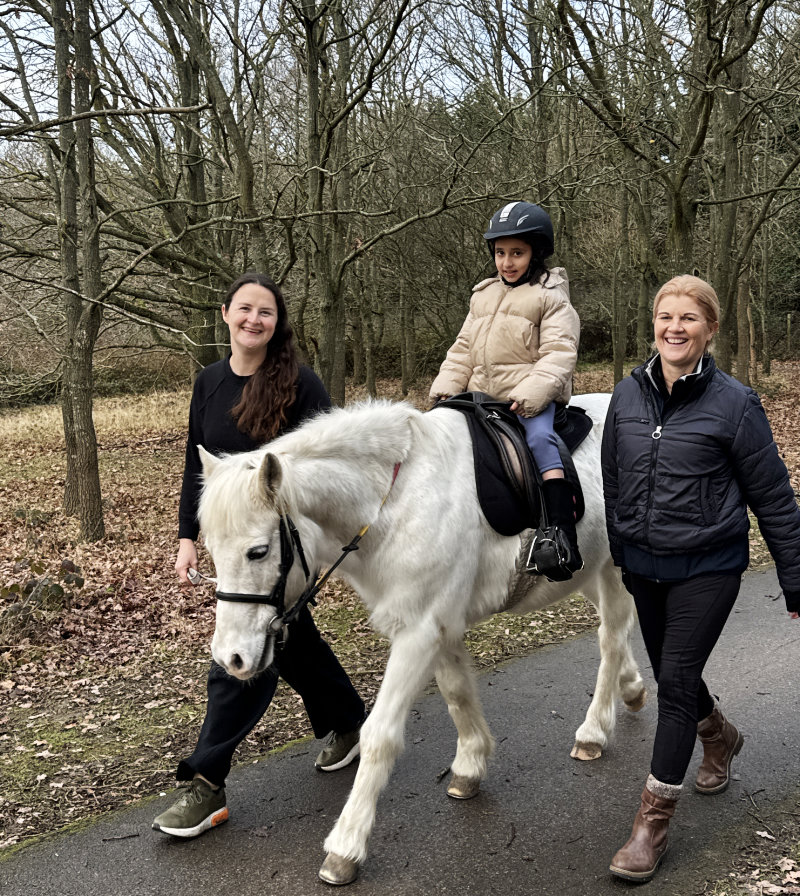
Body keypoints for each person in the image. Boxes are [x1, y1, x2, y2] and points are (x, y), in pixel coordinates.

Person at [152, 273, 366, 839]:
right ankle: (349, 721)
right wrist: (186, 536)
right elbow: (196, 470)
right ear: (225, 314)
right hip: (235, 547)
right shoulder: (209, 382)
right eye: (244, 309)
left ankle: (206, 784)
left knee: (243, 652)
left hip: (280, 546)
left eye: (265, 313)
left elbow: (337, 456)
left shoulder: (299, 383)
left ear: (278, 323)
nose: (254, 320)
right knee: (297, 644)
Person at [601, 274, 800, 882]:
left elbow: (773, 496)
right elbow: (612, 480)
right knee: (670, 673)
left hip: (709, 565)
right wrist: (623, 550)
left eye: (689, 317)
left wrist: (796, 579)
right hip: (644, 566)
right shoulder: (626, 396)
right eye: (665, 316)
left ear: (710, 329)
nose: (675, 327)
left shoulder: (735, 404)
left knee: (677, 681)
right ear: (653, 324)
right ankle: (720, 737)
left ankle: (651, 823)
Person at [429, 200, 583, 578]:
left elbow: (559, 353)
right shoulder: (482, 296)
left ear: (536, 253)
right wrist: (446, 389)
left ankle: (560, 533)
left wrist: (531, 395)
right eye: (500, 253)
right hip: (479, 399)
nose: (507, 262)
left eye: (517, 252)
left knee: (541, 440)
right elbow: (463, 350)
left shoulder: (551, 298)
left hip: (528, 402)